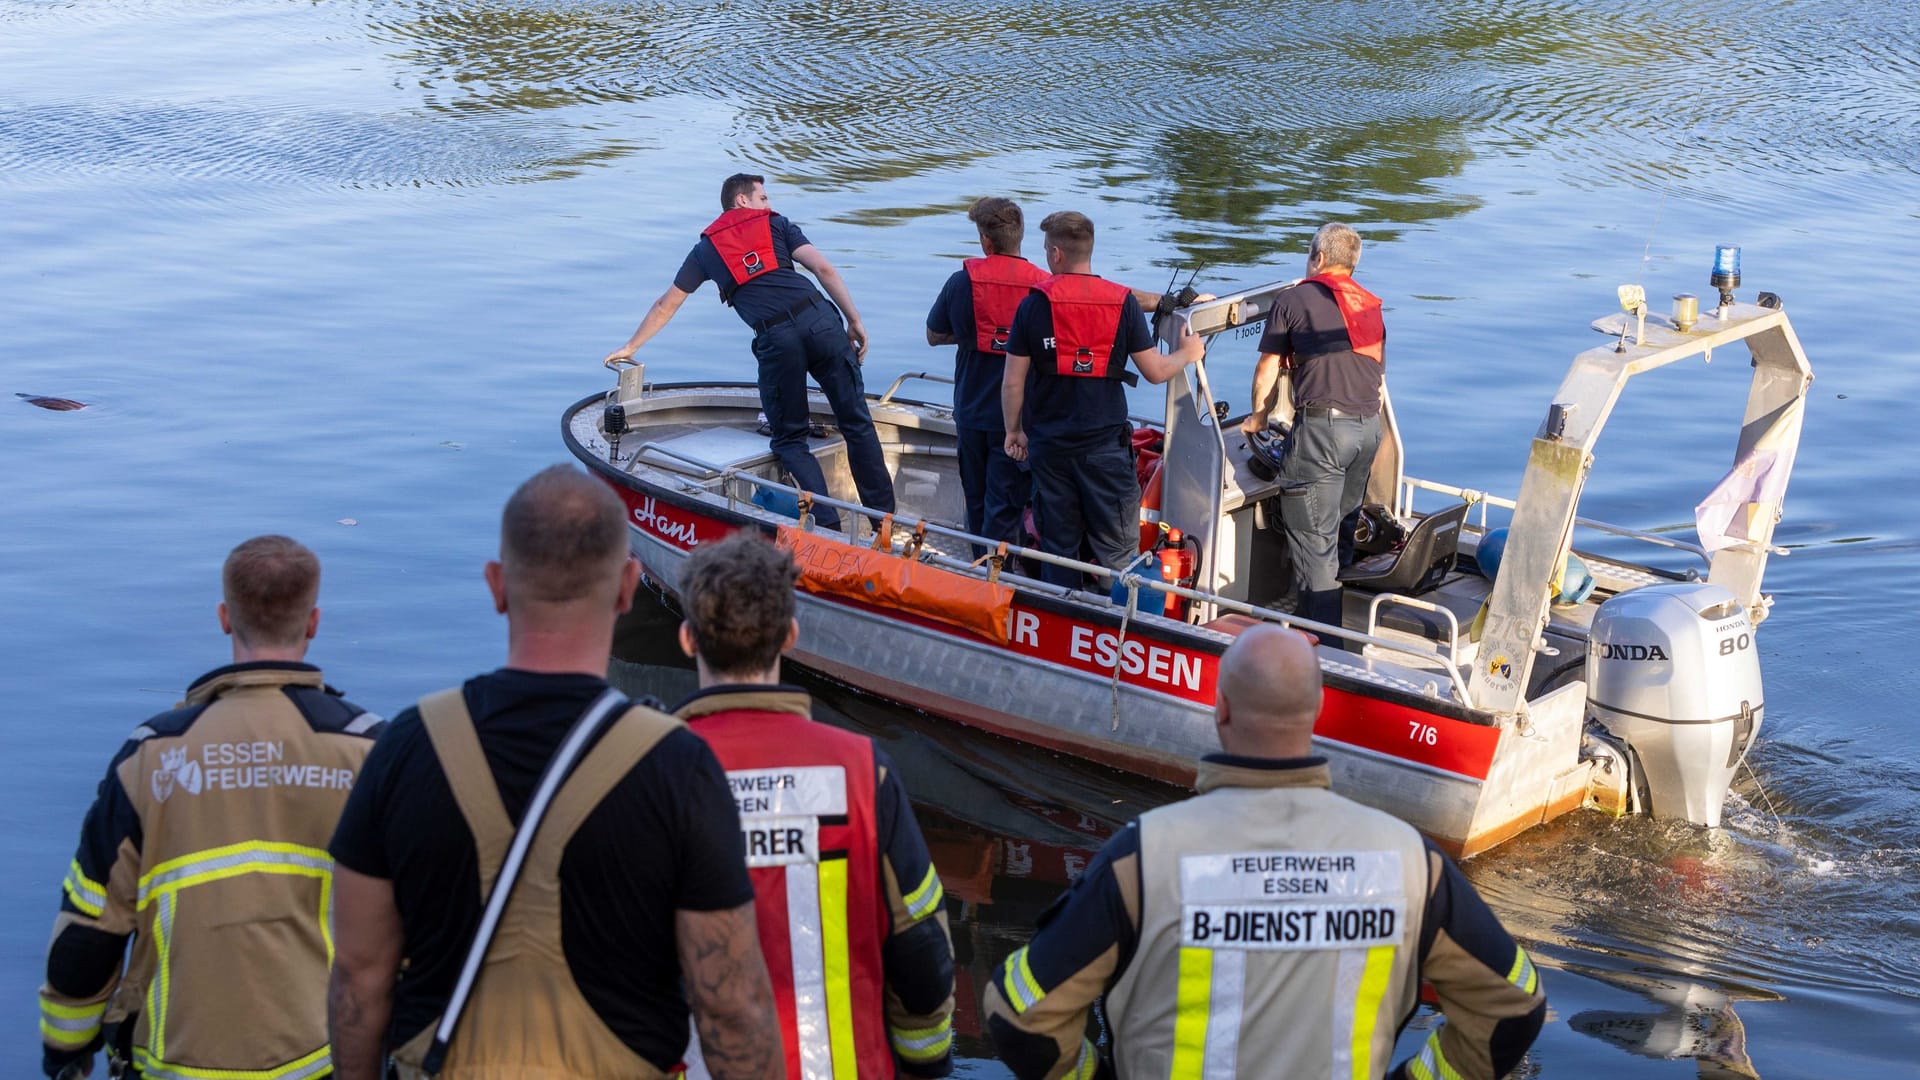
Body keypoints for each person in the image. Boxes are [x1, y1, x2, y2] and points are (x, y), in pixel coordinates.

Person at [327, 465, 780, 1079]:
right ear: (627, 587)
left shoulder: (407, 747)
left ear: (495, 586)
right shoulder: (677, 767)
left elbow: (359, 977)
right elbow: (731, 1007)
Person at [982, 624, 1546, 1079]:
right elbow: (1513, 1002)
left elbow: (1019, 1011)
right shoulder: (1407, 861)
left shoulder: (1144, 857)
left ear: (1220, 708)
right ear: (1318, 709)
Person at [39, 535, 383, 1080]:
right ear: (313, 622)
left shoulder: (150, 758)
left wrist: (64, 1052)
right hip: (324, 1062)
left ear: (225, 617)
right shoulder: (368, 752)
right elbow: (421, 919)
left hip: (170, 1065)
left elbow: (90, 931)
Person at [673, 531, 957, 1078]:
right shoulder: (860, 771)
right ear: (791, 635)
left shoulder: (649, 777)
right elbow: (922, 947)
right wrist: (928, 1063)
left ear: (688, 639)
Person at [604, 173, 895, 533]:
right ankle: (885, 524)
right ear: (741, 200)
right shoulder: (777, 224)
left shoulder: (705, 250)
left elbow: (667, 304)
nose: (768, 204)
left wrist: (631, 346)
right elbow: (823, 269)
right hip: (820, 321)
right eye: (763, 197)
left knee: (790, 438)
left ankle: (826, 530)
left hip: (776, 337)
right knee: (856, 423)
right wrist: (854, 319)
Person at [1000, 211, 1204, 590]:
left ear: (1056, 253)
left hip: (1051, 448)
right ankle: (1121, 632)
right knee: (1118, 554)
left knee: (1058, 548)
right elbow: (1157, 371)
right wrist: (1188, 353)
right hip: (1106, 448)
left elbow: (1013, 382)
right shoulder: (1122, 302)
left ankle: (1061, 619)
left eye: (1046, 250)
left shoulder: (1033, 305)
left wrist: (1014, 431)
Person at [1240, 222, 1387, 628]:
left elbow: (1268, 369)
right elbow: (1372, 373)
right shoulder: (1371, 306)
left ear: (1318, 258)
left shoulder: (1293, 299)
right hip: (1368, 432)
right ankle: (1315, 612)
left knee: (1312, 544)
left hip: (1322, 434)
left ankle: (1326, 653)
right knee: (1340, 532)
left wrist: (1257, 419)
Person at [926, 196, 1049, 555]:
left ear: (985, 241)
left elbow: (933, 335)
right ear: (1020, 236)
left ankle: (978, 572)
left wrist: (975, 337)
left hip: (971, 411)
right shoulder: (1044, 288)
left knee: (975, 499)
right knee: (1007, 505)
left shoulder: (960, 282)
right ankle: (999, 579)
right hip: (1021, 420)